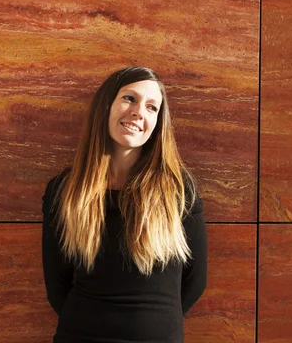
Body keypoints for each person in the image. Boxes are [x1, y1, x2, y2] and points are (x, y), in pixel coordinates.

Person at [41, 66, 207, 343]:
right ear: (106, 105)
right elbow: (57, 285)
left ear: (158, 123)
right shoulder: (65, 190)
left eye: (152, 107)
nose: (139, 112)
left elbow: (195, 281)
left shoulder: (179, 190)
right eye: (129, 98)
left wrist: (153, 326)